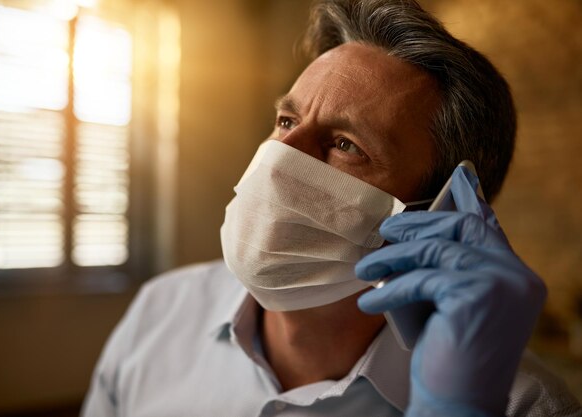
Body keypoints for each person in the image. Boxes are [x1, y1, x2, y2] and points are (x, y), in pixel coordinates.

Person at [81, 0, 582, 416]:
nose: (278, 159)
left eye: (344, 144)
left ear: (435, 210)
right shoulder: (160, 311)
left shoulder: (521, 404)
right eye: (285, 120)